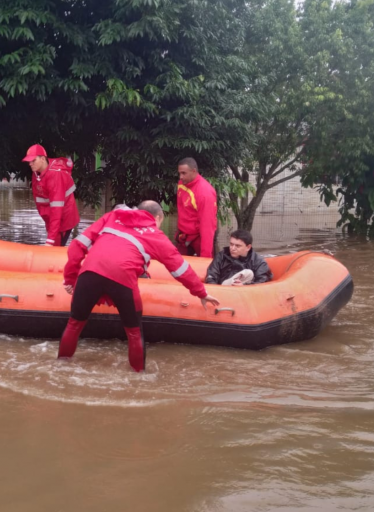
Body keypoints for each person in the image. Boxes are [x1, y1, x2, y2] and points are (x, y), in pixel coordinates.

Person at [59, 200, 221, 372]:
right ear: (158, 217)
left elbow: (77, 246)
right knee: (134, 333)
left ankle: (60, 367)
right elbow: (180, 269)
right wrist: (201, 292)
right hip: (122, 279)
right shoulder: (155, 235)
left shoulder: (113, 216)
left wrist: (70, 279)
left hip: (89, 273)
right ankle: (139, 378)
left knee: (74, 324)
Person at [23, 143, 80, 246]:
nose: (30, 164)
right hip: (50, 218)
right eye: (29, 161)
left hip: (64, 219)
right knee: (53, 244)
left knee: (55, 246)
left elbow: (57, 210)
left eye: (33, 160)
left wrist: (50, 240)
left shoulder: (55, 176)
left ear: (43, 159)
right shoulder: (36, 173)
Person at [175, 157, 217, 258]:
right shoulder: (182, 183)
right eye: (179, 173)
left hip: (199, 237)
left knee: (205, 266)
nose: (180, 177)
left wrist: (205, 257)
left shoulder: (204, 193)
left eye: (184, 173)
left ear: (194, 171)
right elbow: (182, 211)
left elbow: (207, 226)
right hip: (184, 235)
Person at [205, 229, 273, 286]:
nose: (232, 248)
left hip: (246, 293)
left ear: (248, 247)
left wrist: (244, 286)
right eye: (231, 244)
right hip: (222, 289)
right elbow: (211, 276)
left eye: (237, 246)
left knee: (248, 273)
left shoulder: (258, 262)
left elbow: (262, 282)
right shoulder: (222, 255)